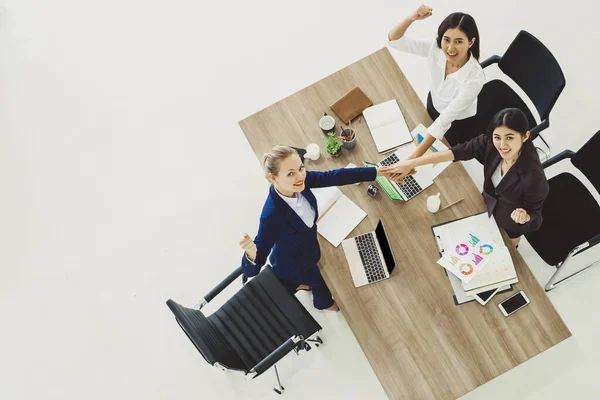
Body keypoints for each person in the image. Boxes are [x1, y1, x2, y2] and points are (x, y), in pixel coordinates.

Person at [239, 145, 387, 311]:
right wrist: (251, 252)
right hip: (294, 262)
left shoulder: (300, 180)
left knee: (313, 277)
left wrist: (378, 172)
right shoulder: (271, 216)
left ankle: (301, 285)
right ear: (273, 178)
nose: (300, 176)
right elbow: (253, 268)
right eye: (290, 173)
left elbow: (334, 176)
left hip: (305, 247)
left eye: (301, 168)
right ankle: (323, 304)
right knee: (320, 281)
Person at [380, 108, 549, 247]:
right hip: (485, 204)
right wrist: (412, 163)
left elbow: (537, 218)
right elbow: (457, 152)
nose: (502, 145)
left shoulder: (534, 178)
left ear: (525, 136)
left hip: (508, 225)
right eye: (498, 137)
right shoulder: (490, 142)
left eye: (510, 138)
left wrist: (525, 217)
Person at [388, 5, 484, 154]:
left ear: (471, 42)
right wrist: (412, 17)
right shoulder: (436, 48)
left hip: (457, 123)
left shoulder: (475, 78)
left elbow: (445, 120)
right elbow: (395, 40)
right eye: (446, 40)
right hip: (433, 105)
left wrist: (413, 159)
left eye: (459, 41)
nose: (450, 48)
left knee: (442, 159)